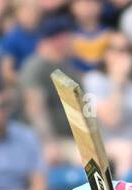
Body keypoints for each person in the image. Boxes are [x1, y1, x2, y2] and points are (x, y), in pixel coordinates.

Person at [81, 35, 132, 175]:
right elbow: (112, 120)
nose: (121, 55)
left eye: (127, 50)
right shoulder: (93, 79)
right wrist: (118, 82)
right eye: (115, 50)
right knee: (126, 152)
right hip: (105, 142)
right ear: (105, 54)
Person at [17, 16, 84, 166]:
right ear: (59, 40)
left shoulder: (69, 68)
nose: (74, 42)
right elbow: (35, 108)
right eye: (70, 37)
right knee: (87, 162)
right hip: (43, 142)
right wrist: (48, 143)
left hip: (71, 140)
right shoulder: (35, 66)